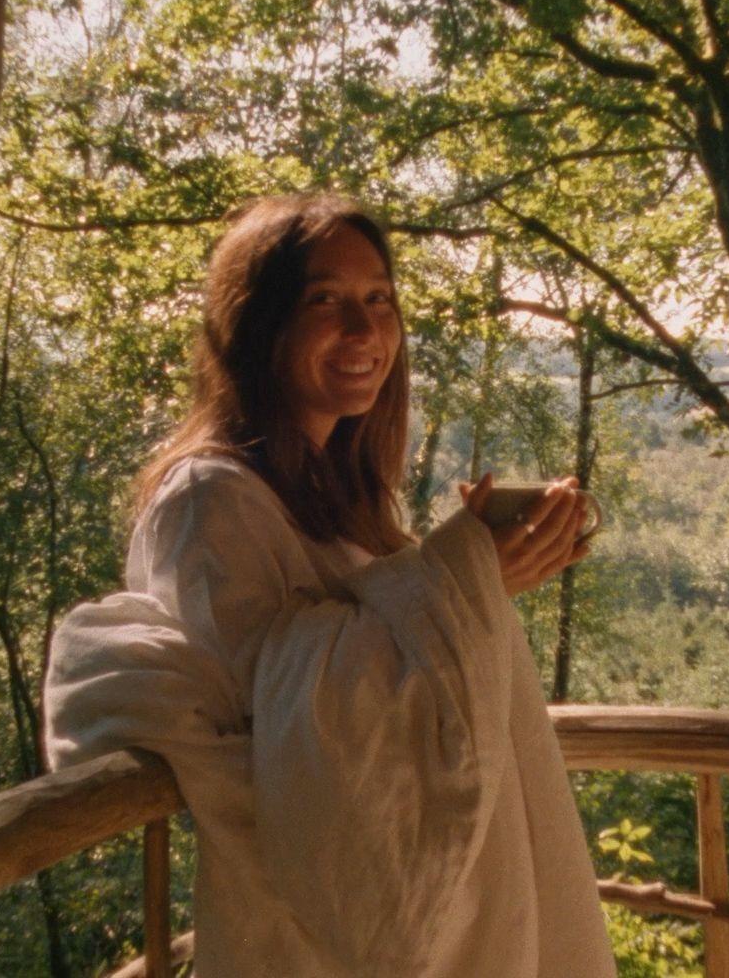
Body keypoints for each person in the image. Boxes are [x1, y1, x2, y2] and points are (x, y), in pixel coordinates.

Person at [43, 193, 618, 977]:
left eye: (379, 300)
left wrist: (476, 581)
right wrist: (456, 583)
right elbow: (277, 727)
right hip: (301, 930)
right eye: (325, 301)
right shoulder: (209, 501)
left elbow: (374, 673)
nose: (363, 330)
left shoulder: (345, 497)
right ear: (258, 325)